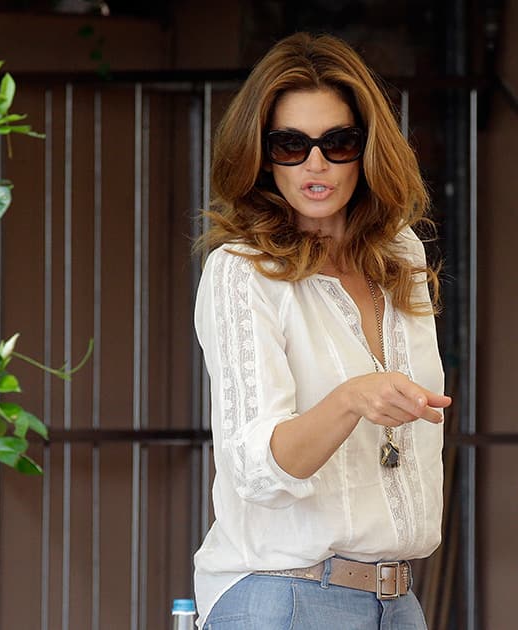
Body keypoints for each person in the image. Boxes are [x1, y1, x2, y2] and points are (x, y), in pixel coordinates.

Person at [192, 32, 452, 629]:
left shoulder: (400, 255)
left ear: (366, 150)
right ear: (260, 154)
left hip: (398, 601)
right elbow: (256, 467)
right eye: (290, 144)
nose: (316, 163)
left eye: (338, 142)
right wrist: (349, 399)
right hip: (286, 596)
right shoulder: (243, 271)